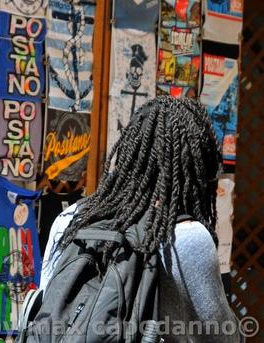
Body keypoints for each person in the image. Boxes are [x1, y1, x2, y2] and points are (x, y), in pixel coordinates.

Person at [40, 96, 241, 342]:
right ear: (199, 170)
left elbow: (46, 314)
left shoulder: (69, 219)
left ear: (129, 152)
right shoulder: (186, 238)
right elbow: (222, 337)